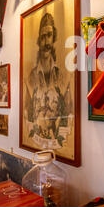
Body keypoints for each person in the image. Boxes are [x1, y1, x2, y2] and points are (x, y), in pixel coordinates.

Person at [24, 13, 72, 148]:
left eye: (49, 35)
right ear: (39, 40)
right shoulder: (30, 78)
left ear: (54, 37)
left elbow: (68, 113)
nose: (46, 43)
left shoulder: (63, 76)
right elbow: (27, 111)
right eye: (43, 37)